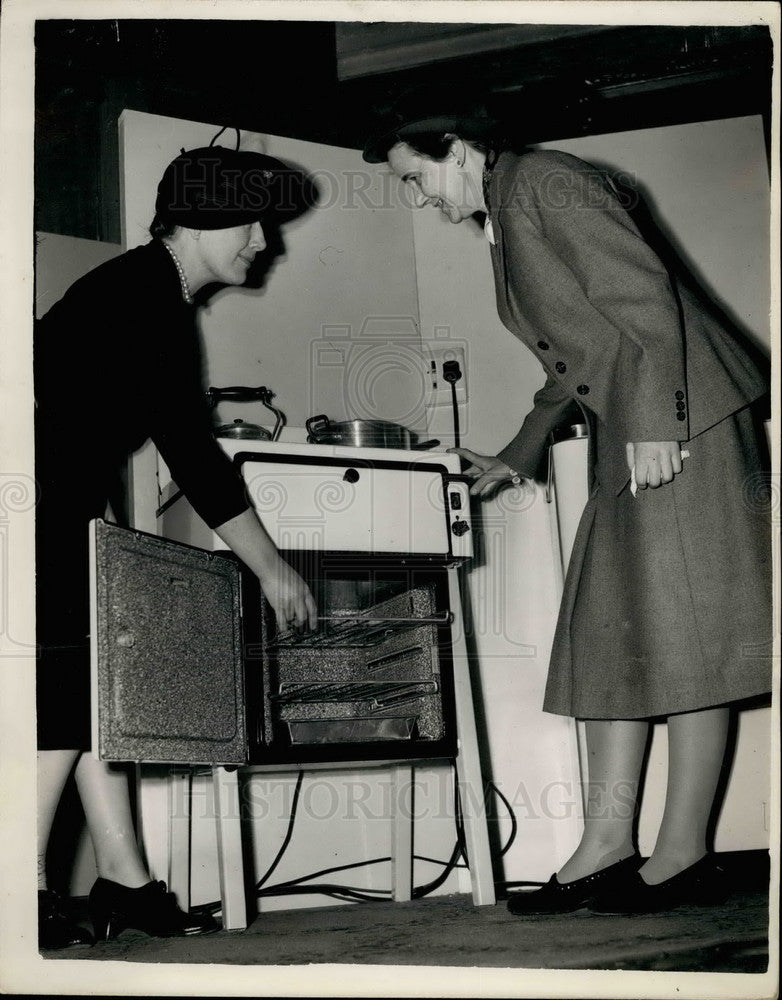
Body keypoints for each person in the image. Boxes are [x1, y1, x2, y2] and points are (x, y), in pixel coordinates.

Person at [363, 99, 772, 915]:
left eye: (416, 179)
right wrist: (517, 458)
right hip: (641, 419)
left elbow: (642, 297)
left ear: (460, 146)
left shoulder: (546, 182)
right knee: (619, 632)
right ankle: (606, 847)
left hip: (681, 418)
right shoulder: (508, 207)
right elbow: (578, 354)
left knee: (688, 635)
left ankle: (682, 850)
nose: (420, 199)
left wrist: (656, 424)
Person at [35, 142, 317, 947]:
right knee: (61, 708)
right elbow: (192, 452)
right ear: (192, 222)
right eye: (249, 222)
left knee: (90, 700)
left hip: (56, 506)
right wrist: (270, 568)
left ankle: (127, 883)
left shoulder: (147, 290)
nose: (264, 240)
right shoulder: (142, 296)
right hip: (34, 507)